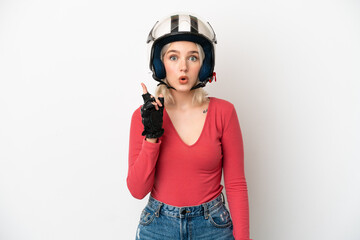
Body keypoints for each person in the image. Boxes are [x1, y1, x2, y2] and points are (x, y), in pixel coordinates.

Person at [127, 13, 252, 240]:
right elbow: (137, 190)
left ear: (204, 66)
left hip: (213, 226)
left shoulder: (224, 112)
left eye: (192, 58)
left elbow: (235, 184)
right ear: (160, 64)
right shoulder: (143, 116)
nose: (183, 67)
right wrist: (152, 137)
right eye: (173, 57)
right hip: (158, 226)